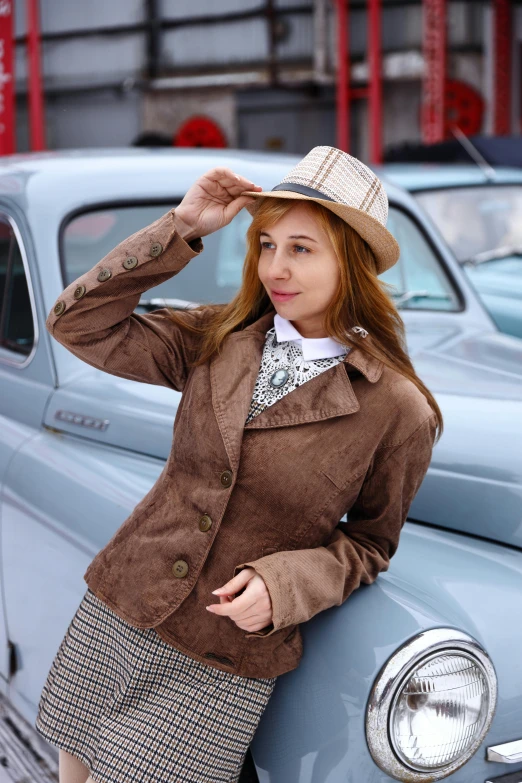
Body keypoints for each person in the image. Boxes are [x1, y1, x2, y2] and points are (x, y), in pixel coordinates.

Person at [35, 145, 442, 783]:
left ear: (354, 263)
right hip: (123, 600)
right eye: (266, 244)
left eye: (301, 248)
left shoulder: (397, 409)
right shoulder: (217, 339)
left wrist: (287, 586)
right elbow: (76, 324)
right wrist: (183, 228)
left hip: (225, 651)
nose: (276, 266)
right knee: (73, 769)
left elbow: (369, 544)